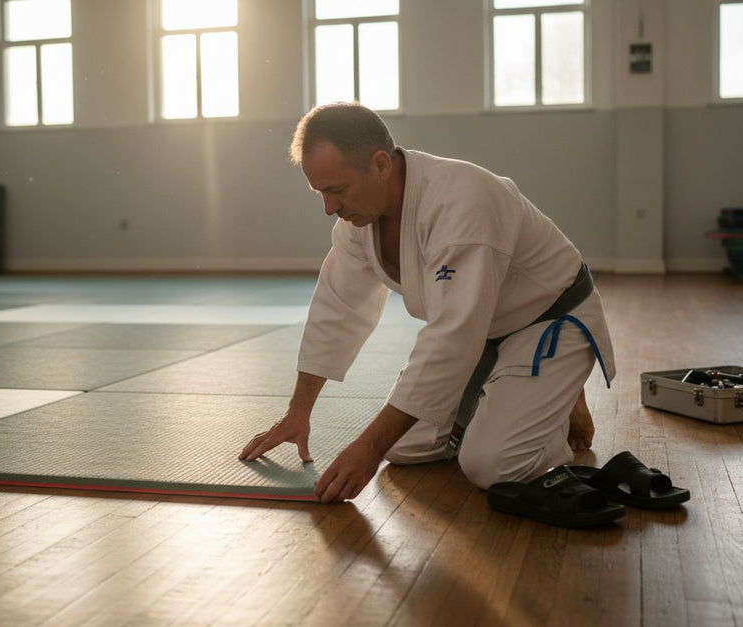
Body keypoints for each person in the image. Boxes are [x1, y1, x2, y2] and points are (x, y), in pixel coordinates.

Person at [239, 102, 615, 504]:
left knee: (491, 465)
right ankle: (517, 397)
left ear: (381, 165)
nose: (329, 208)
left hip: (548, 323)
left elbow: (452, 338)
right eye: (320, 192)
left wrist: (368, 448)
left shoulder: (462, 202)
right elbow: (336, 309)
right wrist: (298, 412)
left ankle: (554, 400)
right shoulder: (358, 221)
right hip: (484, 335)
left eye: (337, 190)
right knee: (404, 447)